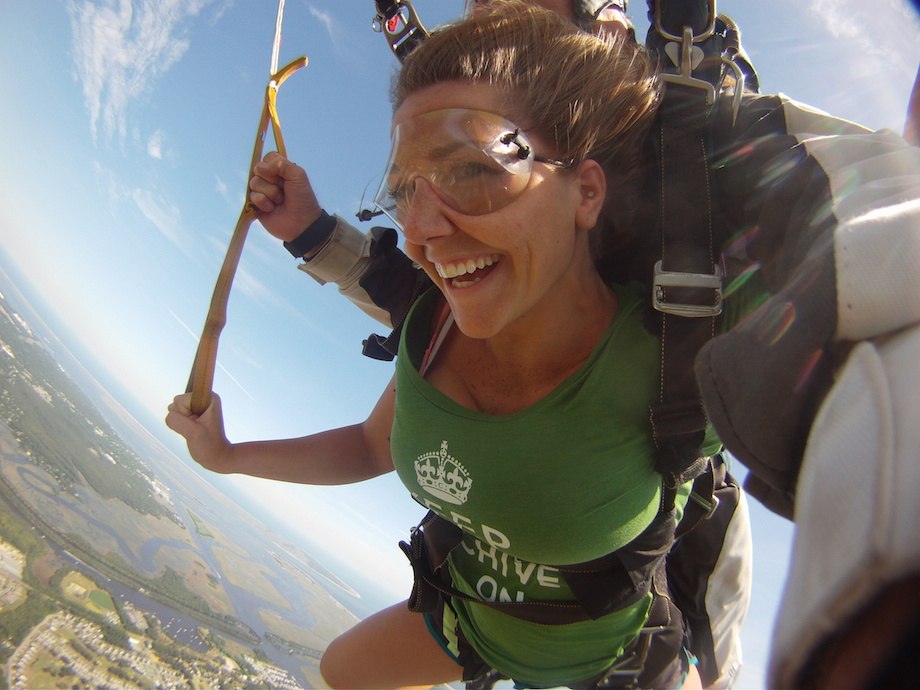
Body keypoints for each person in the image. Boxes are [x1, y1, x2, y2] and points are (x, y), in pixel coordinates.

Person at [237, 1, 920, 687]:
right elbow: (425, 288)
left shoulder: (700, 166)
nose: (500, 36)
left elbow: (877, 242)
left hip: (632, 581)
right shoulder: (478, 203)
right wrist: (313, 232)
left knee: (696, 563)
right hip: (486, 593)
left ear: (609, 33)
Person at [169, 3, 720, 687]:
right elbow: (374, 444)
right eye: (401, 191)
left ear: (585, 191)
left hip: (615, 664)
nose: (422, 229)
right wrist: (225, 456)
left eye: (473, 170)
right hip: (467, 619)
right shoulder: (433, 328)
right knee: (342, 669)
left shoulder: (674, 360)